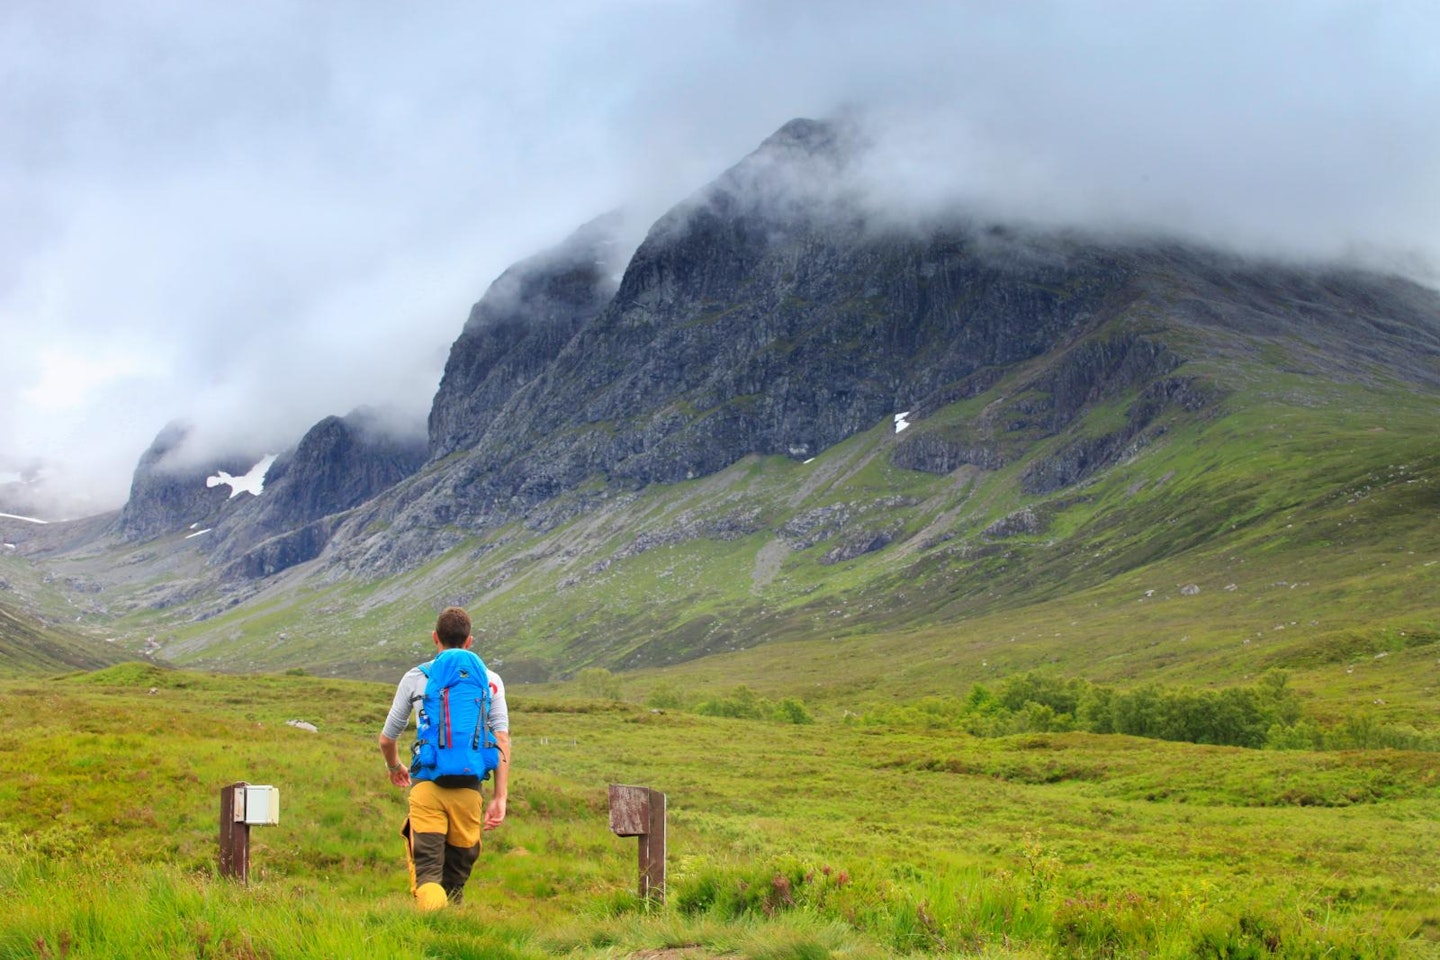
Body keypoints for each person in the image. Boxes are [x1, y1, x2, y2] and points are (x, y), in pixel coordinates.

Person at [378, 606, 510, 909]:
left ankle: (430, 934)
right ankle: (452, 935)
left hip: (426, 786)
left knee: (427, 876)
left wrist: (394, 766)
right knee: (455, 880)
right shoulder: (490, 680)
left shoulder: (415, 677)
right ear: (469, 641)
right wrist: (500, 797)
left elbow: (388, 738)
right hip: (469, 790)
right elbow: (501, 739)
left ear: (435, 637)